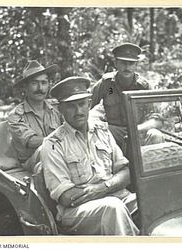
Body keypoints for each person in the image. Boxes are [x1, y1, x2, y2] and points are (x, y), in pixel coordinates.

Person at [41, 76, 139, 235]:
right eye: (71, 106)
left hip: (116, 197)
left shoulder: (102, 131)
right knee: (112, 208)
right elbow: (66, 197)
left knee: (151, 203)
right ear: (60, 109)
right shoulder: (53, 144)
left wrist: (102, 188)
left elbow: (125, 173)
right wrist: (107, 188)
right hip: (77, 212)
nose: (78, 111)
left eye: (81, 104)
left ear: (89, 104)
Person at [90, 42, 165, 152]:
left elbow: (157, 120)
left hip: (138, 131)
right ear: (116, 63)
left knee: (156, 135)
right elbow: (88, 108)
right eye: (123, 63)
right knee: (96, 132)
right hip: (113, 132)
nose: (127, 67)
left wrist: (137, 129)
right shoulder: (106, 84)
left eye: (131, 63)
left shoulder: (144, 86)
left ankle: (150, 168)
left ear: (136, 65)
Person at [7, 60, 63, 172]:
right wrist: (65, 141)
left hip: (60, 153)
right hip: (33, 162)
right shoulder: (16, 115)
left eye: (44, 83)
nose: (40, 88)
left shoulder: (56, 106)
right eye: (34, 83)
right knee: (47, 150)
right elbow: (32, 141)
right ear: (25, 87)